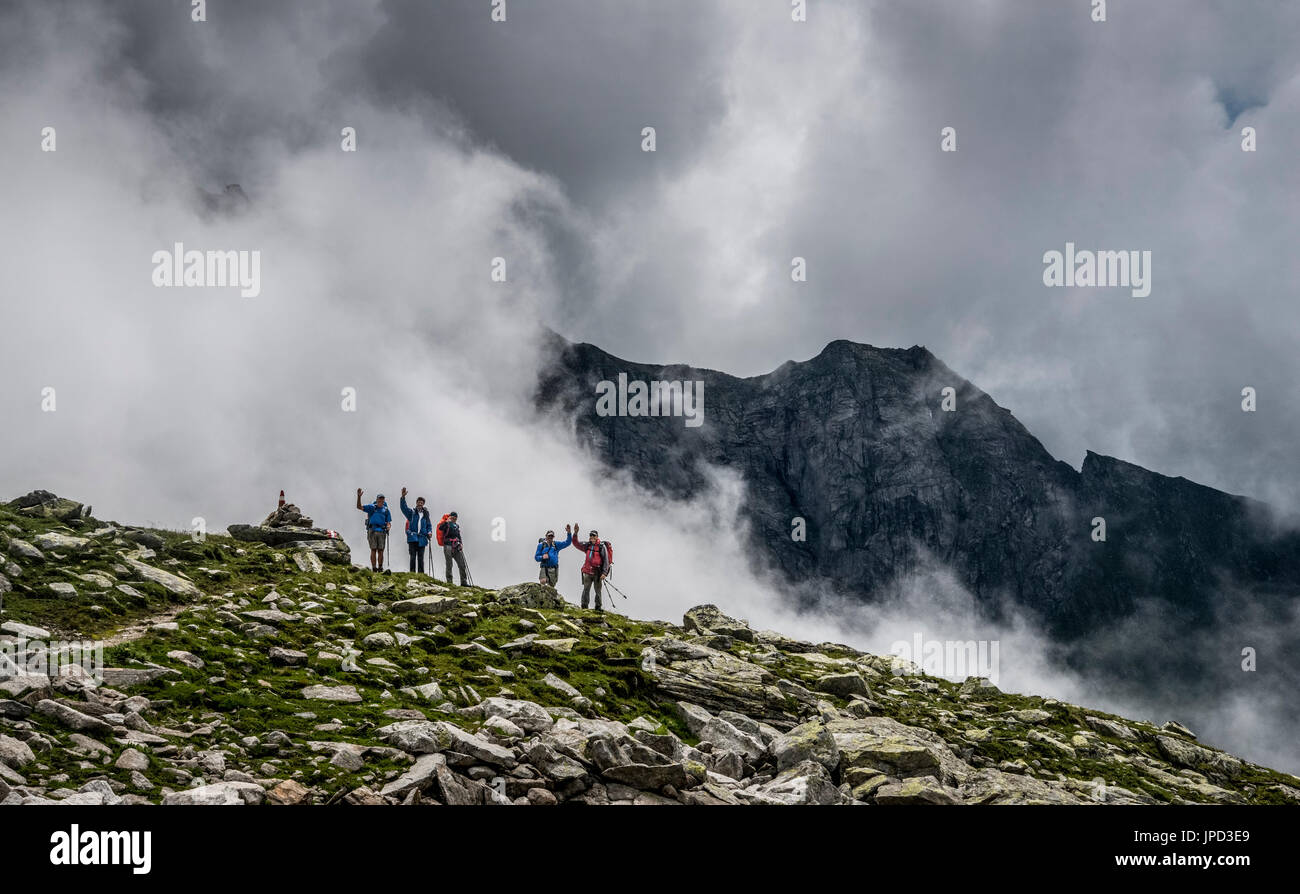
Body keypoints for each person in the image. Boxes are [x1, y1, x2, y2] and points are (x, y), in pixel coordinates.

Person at [356, 488, 392, 572]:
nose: (381, 501)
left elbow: (388, 522)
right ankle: (374, 568)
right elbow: (359, 507)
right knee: (373, 549)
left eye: (382, 499)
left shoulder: (386, 510)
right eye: (380, 499)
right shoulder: (372, 507)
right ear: (377, 500)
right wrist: (359, 497)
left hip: (382, 531)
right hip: (372, 530)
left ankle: (380, 567)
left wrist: (388, 526)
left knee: (380, 550)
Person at [399, 487, 433, 574]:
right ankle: (412, 573)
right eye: (418, 502)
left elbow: (429, 525)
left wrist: (429, 532)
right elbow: (404, 508)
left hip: (422, 538)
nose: (420, 504)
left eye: (421, 503)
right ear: (416, 503)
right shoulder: (412, 513)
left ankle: (421, 574)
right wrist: (403, 497)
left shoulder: (426, 515)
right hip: (412, 537)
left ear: (423, 504)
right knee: (413, 556)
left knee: (421, 557)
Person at [577, 527, 611, 612]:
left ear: (597, 537)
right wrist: (574, 534)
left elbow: (606, 560)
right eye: (591, 535)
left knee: (598, 591)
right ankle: (584, 606)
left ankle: (598, 607)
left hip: (598, 573)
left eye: (594, 535)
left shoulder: (601, 547)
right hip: (588, 572)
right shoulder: (587, 545)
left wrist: (604, 573)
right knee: (586, 589)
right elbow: (576, 543)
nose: (592, 537)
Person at [437, 511, 469, 586]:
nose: (454, 519)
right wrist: (446, 521)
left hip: (456, 546)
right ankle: (449, 582)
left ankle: (464, 582)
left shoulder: (456, 526)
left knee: (462, 564)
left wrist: (461, 543)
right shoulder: (446, 524)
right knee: (449, 564)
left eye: (455, 518)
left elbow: (458, 536)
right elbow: (441, 528)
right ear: (450, 517)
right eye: (452, 517)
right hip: (447, 545)